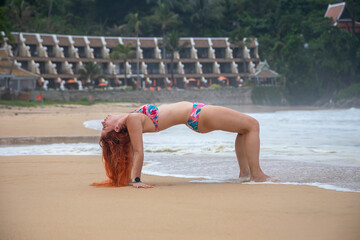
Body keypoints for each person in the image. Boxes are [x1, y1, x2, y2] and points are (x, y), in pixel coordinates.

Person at [96, 101, 270, 188]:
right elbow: (138, 151)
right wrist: (136, 180)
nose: (104, 121)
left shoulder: (130, 118)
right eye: (105, 126)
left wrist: (127, 178)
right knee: (252, 125)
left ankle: (245, 174)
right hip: (197, 114)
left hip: (196, 114)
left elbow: (131, 151)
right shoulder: (132, 119)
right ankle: (257, 174)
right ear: (117, 128)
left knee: (244, 130)